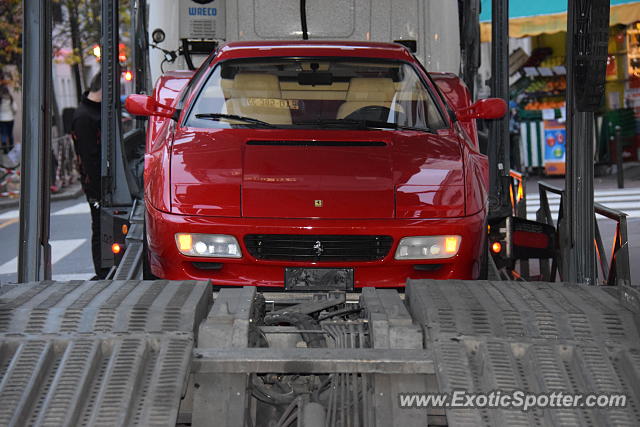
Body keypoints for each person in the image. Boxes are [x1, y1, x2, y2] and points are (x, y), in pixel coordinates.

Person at [71, 72, 109, 279]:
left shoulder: (92, 112)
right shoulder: (85, 117)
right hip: (95, 184)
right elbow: (88, 158)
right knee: (99, 225)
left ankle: (104, 270)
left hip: (98, 181)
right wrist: (96, 191)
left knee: (102, 225)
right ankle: (101, 272)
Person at [0, 83, 16, 155]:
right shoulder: (11, 98)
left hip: (2, 119)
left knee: (3, 133)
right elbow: (15, 108)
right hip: (10, 119)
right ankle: (11, 148)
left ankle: (4, 147)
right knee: (10, 134)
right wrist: (13, 114)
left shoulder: (0, 99)